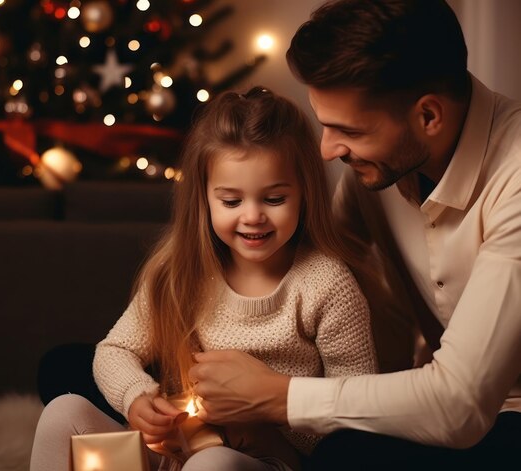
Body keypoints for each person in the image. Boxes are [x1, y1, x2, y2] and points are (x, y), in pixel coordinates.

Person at [187, 0, 521, 468]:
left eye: (347, 130)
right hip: (418, 399)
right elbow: (308, 262)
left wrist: (276, 397)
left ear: (428, 116)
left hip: (501, 419)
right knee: (70, 368)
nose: (327, 150)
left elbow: (459, 405)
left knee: (344, 455)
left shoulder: (516, 179)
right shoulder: (378, 166)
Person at [29, 87, 378, 470]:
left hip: (265, 459)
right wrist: (138, 397)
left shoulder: (327, 286)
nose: (252, 216)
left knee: (211, 464)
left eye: (274, 199)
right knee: (63, 412)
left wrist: (267, 419)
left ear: (305, 194)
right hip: (178, 448)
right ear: (205, 198)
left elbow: (354, 413)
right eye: (231, 201)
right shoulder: (182, 274)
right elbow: (114, 352)